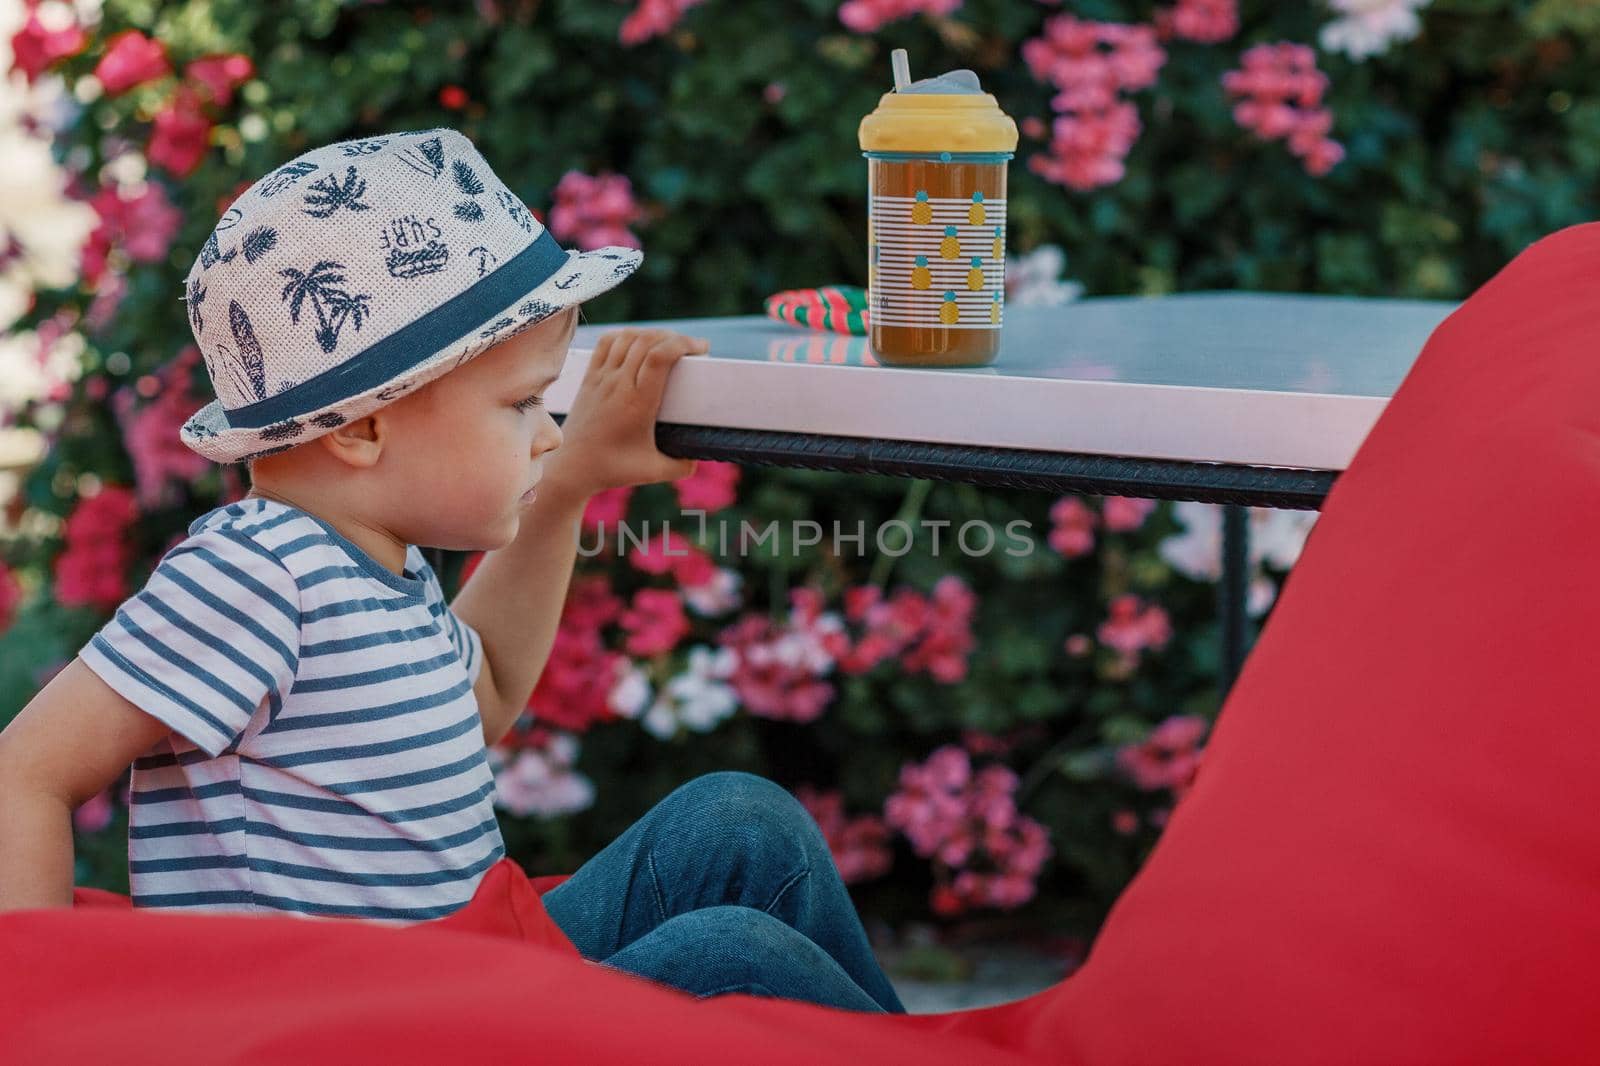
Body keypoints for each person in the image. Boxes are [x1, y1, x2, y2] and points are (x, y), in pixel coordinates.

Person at [0, 128, 906, 1015]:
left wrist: (570, 481)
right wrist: (36, 1020)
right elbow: (25, 773)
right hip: (341, 1031)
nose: (547, 432)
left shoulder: (376, 562)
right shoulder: (254, 572)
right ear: (361, 426)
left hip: (456, 981)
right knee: (729, 959)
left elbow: (490, 693)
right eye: (522, 405)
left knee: (737, 822)